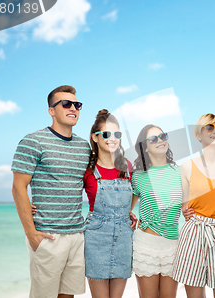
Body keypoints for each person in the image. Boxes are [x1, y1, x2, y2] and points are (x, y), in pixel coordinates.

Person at [11, 85, 90, 298]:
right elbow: (19, 187)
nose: (73, 108)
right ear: (51, 110)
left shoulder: (84, 147)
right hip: (48, 235)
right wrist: (31, 233)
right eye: (66, 103)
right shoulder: (33, 141)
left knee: (68, 295)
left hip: (77, 234)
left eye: (77, 104)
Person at [172, 114, 215, 298]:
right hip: (194, 234)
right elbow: (185, 206)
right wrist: (185, 211)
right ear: (198, 135)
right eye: (209, 127)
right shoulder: (187, 167)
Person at [82, 109, 137, 298]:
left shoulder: (128, 167)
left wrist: (128, 211)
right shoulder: (87, 168)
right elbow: (67, 194)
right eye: (106, 134)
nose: (112, 138)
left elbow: (138, 192)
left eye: (117, 134)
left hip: (123, 237)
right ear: (95, 137)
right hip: (95, 237)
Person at [130, 125, 182, 298]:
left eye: (162, 136)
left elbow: (190, 206)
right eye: (153, 139)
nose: (160, 141)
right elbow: (126, 209)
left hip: (173, 247)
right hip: (146, 246)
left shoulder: (181, 172)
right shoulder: (137, 176)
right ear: (145, 146)